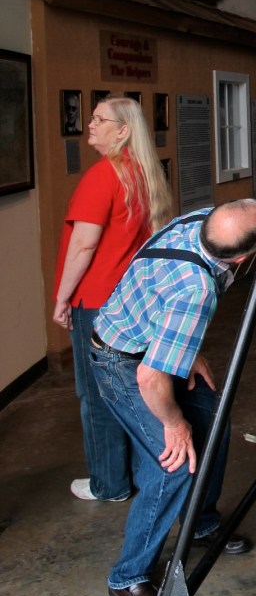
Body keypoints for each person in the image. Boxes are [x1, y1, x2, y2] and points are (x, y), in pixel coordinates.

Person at [89, 198, 256, 596]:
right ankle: (128, 577)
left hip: (150, 343)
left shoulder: (201, 219)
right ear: (245, 258)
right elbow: (150, 379)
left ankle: (202, 521)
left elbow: (160, 292)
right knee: (174, 462)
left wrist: (184, 351)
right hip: (124, 363)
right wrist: (175, 424)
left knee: (213, 414)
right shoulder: (197, 290)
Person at [53, 97, 172, 502]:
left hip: (96, 301)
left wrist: (61, 298)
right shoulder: (142, 175)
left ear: (122, 131)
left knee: (97, 395)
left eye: (100, 119)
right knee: (131, 389)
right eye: (91, 117)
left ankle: (109, 483)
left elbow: (83, 248)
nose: (90, 124)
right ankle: (143, 474)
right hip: (133, 302)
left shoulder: (102, 176)